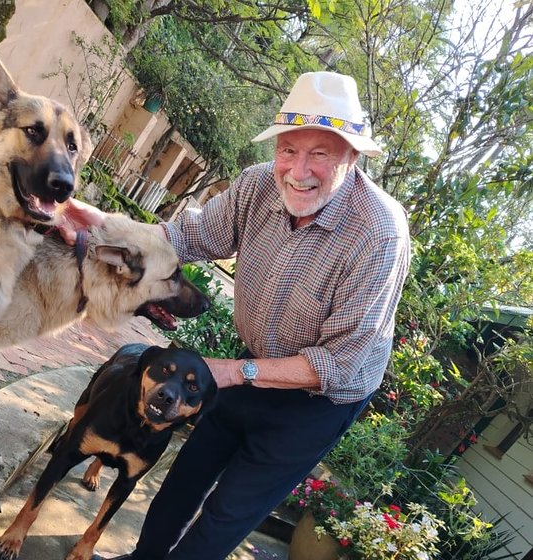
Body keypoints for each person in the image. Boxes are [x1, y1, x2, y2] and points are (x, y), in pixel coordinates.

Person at [63, 71, 411, 560]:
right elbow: (185, 236)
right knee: (184, 479)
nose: (298, 171)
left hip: (321, 400)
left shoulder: (380, 233)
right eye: (288, 149)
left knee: (227, 514)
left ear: (352, 157)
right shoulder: (258, 185)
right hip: (254, 362)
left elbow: (341, 363)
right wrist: (104, 226)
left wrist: (233, 372)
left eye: (320, 154)